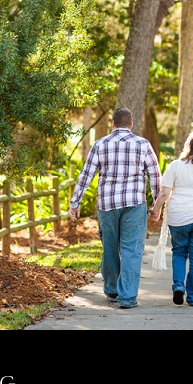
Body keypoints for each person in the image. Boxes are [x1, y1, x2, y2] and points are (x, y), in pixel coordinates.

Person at [69, 106, 161, 309]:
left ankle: (112, 291)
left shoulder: (100, 144)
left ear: (112, 124)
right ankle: (127, 297)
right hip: (134, 205)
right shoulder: (143, 144)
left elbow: (86, 175)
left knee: (110, 247)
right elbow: (155, 176)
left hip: (107, 205)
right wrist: (157, 204)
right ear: (131, 124)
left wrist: (75, 203)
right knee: (131, 250)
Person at [149, 130, 193, 307]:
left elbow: (165, 192)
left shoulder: (175, 165)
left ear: (188, 146)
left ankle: (179, 286)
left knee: (179, 253)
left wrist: (155, 210)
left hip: (178, 217)